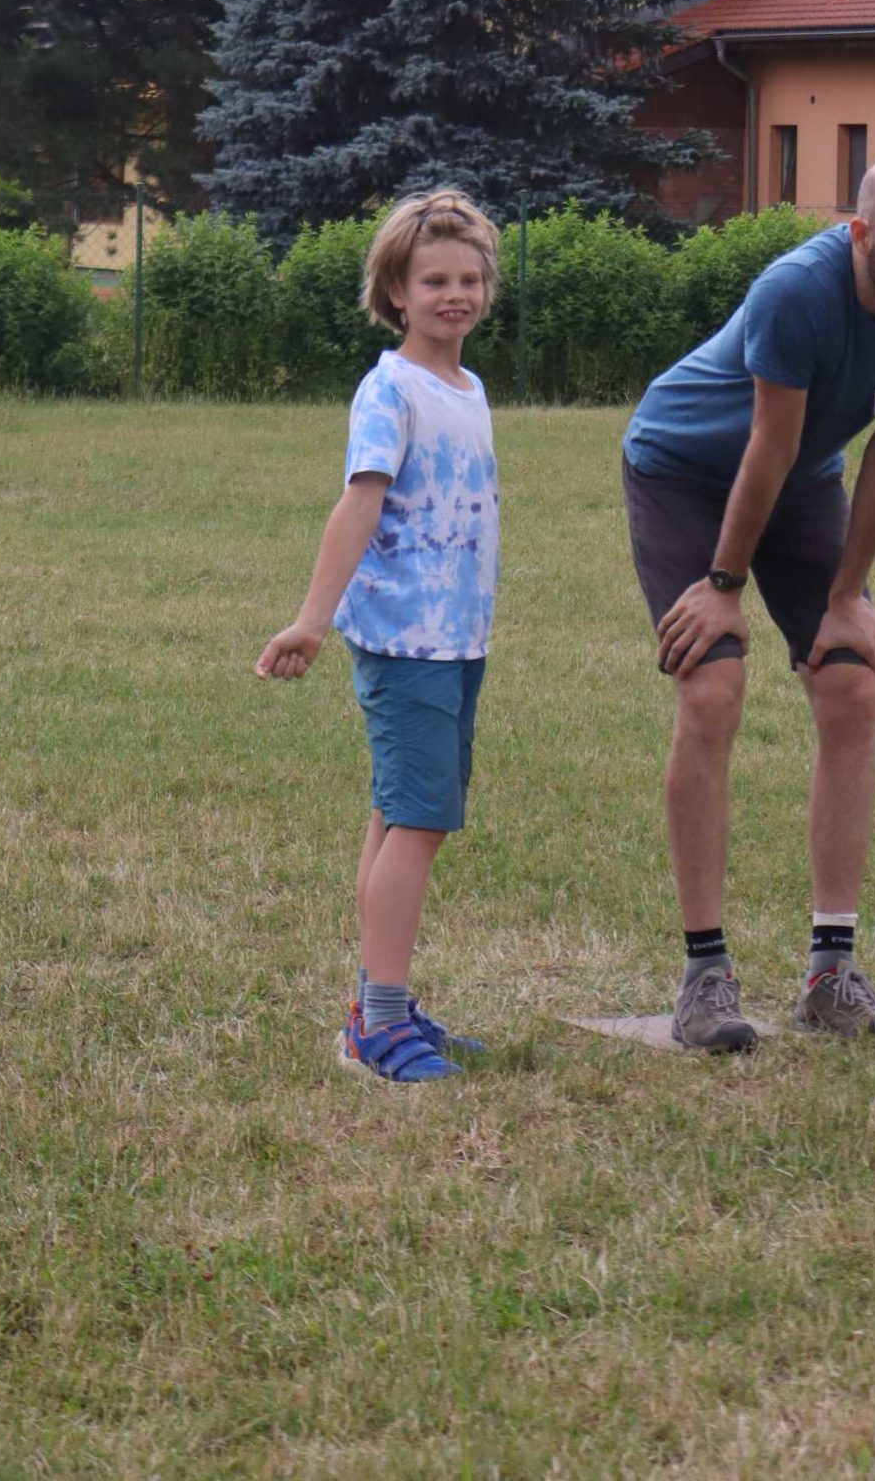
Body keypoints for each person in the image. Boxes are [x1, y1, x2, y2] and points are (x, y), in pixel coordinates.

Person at [623, 151, 875, 1051]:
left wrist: (847, 594)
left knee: (852, 684)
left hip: (799, 478)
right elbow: (767, 446)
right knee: (713, 688)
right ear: (860, 236)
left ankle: (830, 972)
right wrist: (722, 588)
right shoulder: (795, 292)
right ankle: (705, 977)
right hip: (683, 470)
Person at [255, 190, 501, 1085]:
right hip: (405, 642)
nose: (454, 294)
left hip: (457, 640)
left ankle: (376, 1005)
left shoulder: (467, 388)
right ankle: (380, 1026)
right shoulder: (389, 389)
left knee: (399, 813)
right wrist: (312, 621)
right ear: (396, 291)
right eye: (434, 280)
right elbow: (359, 504)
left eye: (469, 279)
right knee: (422, 820)